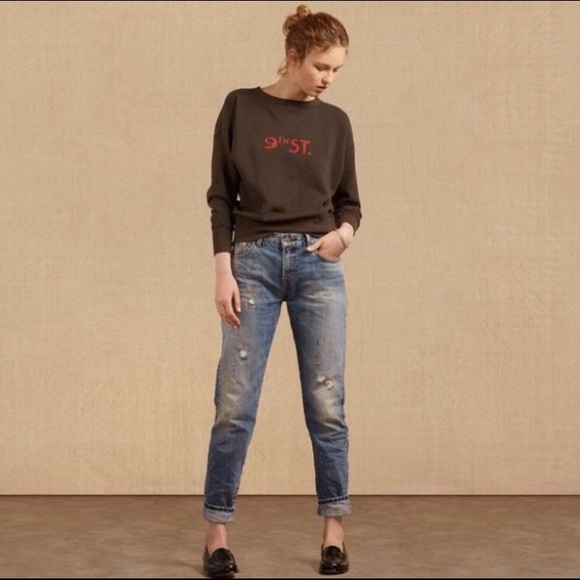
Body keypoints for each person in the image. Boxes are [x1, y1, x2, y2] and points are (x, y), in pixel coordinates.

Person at [202, 4, 361, 577]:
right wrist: (223, 270)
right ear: (293, 57)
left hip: (318, 267)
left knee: (327, 404)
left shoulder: (335, 122)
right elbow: (221, 195)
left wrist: (343, 236)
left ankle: (334, 535)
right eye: (321, 66)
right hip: (254, 263)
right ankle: (216, 535)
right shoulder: (241, 106)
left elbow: (349, 201)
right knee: (235, 404)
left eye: (336, 69)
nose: (328, 78)